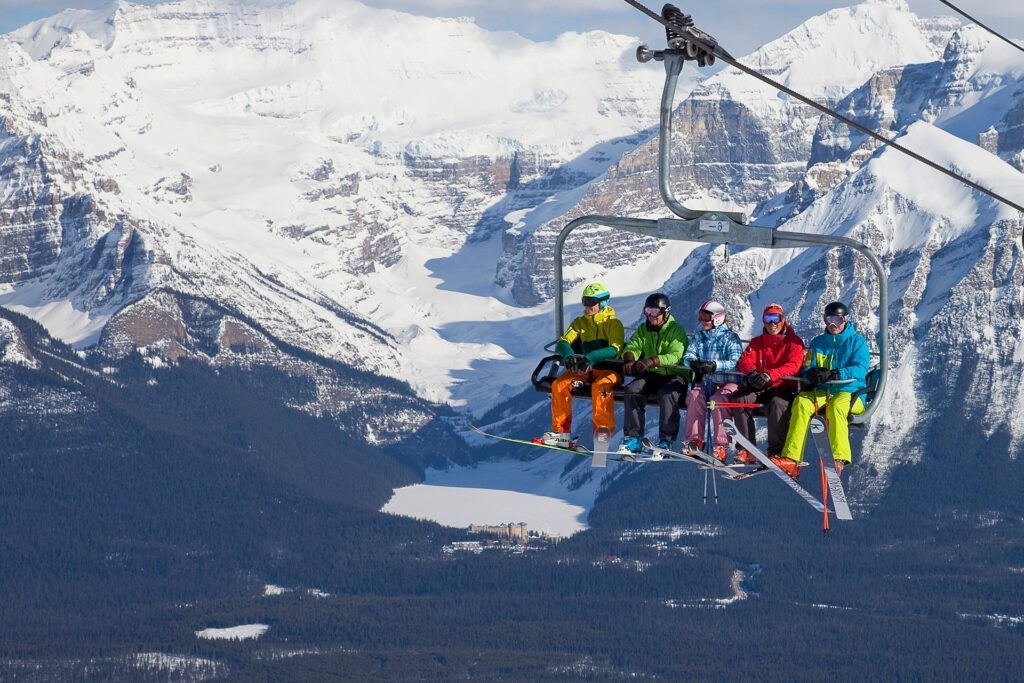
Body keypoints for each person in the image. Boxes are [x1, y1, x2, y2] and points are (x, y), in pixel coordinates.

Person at [774, 301, 870, 478]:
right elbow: (808, 365)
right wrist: (812, 374)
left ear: (845, 320)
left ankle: (838, 458)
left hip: (849, 391)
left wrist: (835, 374)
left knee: (837, 408)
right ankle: (792, 459)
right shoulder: (818, 342)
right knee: (801, 402)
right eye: (829, 319)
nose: (833, 324)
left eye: (837, 320)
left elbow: (860, 368)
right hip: (822, 392)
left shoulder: (857, 342)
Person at [537, 282, 625, 448]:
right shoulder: (580, 323)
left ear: (602, 303)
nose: (587, 306)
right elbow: (562, 342)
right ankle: (561, 434)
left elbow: (615, 349)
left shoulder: (614, 323)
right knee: (559, 384)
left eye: (591, 302)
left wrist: (590, 357)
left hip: (609, 370)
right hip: (586, 369)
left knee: (601, 388)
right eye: (585, 301)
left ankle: (602, 434)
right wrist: (568, 354)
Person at [730, 303, 805, 464]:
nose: (772, 323)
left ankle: (776, 451)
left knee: (778, 404)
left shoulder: (794, 342)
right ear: (763, 321)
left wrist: (770, 375)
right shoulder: (758, 342)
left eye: (776, 318)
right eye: (768, 318)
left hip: (783, 387)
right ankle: (746, 448)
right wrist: (751, 373)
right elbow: (745, 360)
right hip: (761, 387)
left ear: (782, 320)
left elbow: (793, 365)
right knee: (739, 400)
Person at [617, 293, 689, 455]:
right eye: (647, 311)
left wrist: (652, 361)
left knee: (666, 395)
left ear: (665, 312)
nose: (650, 316)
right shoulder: (644, 329)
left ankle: (666, 441)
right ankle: (633, 438)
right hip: (653, 375)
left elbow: (676, 355)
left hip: (675, 375)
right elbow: (634, 345)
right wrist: (629, 358)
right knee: (632, 389)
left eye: (654, 312)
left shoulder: (676, 330)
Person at [682, 300, 743, 462]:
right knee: (695, 395)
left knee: (719, 400)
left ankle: (721, 445)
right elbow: (689, 355)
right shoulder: (699, 336)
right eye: (700, 316)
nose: (702, 321)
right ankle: (694, 441)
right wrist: (693, 363)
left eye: (706, 317)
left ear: (717, 318)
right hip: (708, 381)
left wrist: (715, 366)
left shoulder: (731, 338)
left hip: (728, 381)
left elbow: (735, 361)